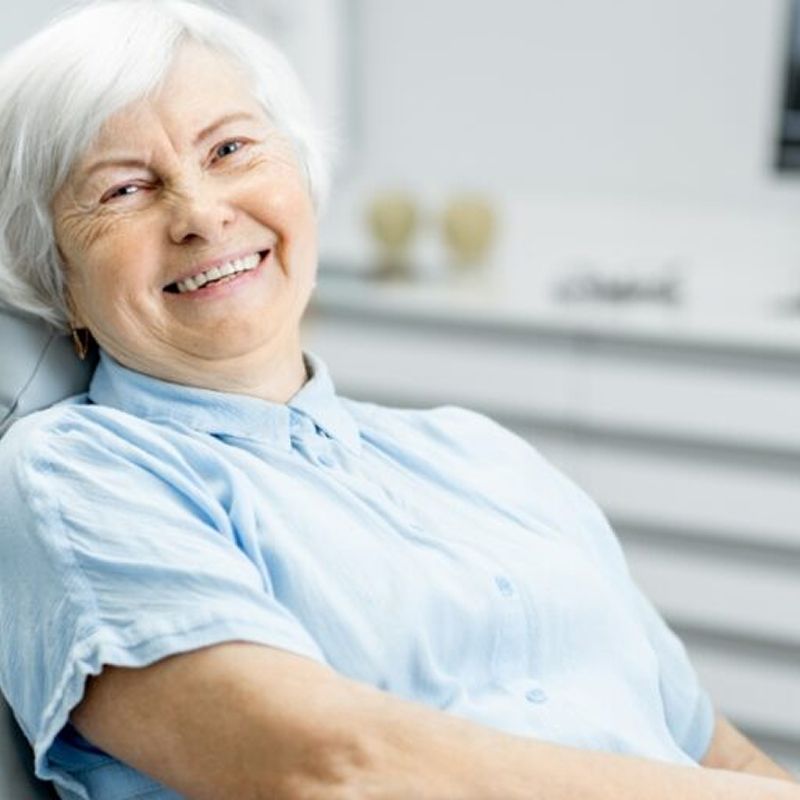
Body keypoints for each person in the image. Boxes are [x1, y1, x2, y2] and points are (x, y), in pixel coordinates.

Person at [0, 2, 796, 799]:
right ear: (57, 279)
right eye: (124, 190)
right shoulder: (73, 476)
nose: (202, 215)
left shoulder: (481, 454)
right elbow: (329, 769)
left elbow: (717, 755)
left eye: (230, 149)